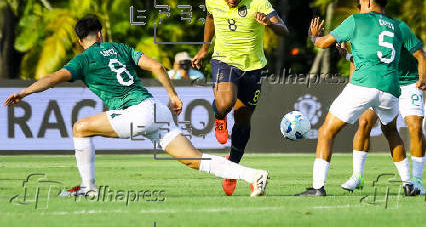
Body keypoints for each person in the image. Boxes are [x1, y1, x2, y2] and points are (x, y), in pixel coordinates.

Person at [4, 16, 269, 197]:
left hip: (137, 113)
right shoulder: (119, 48)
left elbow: (52, 79)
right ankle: (253, 174)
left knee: (80, 128)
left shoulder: (83, 59)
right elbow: (156, 66)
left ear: (79, 41)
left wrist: (26, 91)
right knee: (195, 160)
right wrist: (173, 95)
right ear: (100, 34)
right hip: (156, 108)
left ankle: (88, 188)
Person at [295, 0, 426, 197]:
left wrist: (314, 37)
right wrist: (348, 56)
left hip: (363, 85)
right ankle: (408, 183)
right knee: (391, 131)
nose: (358, 9)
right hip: (391, 90)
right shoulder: (398, 26)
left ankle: (317, 187)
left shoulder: (356, 21)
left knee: (326, 131)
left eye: (359, 5)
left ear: (367, 1)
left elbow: (322, 44)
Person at [192, 0, 289, 196]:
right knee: (225, 103)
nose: (231, 0)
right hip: (224, 61)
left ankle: (231, 167)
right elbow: (210, 19)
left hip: (253, 66)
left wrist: (269, 23)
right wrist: (205, 49)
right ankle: (218, 116)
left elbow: (284, 30)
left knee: (243, 118)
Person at [339, 37, 426, 194]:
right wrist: (346, 55)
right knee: (365, 123)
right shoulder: (364, 32)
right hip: (381, 83)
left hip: (408, 84)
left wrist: (422, 78)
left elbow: (421, 55)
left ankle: (416, 181)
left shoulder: (399, 29)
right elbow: (360, 61)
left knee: (415, 128)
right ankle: (357, 176)